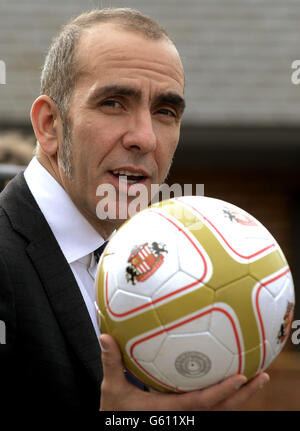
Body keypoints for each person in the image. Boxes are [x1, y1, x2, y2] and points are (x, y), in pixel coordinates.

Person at [0, 8, 269, 413]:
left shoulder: (159, 265)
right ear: (50, 124)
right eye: (113, 103)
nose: (144, 138)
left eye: (165, 112)